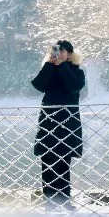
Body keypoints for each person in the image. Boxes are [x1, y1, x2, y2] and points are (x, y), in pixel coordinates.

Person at [31, 39, 86, 206]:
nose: (59, 53)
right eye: (56, 50)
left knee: (63, 162)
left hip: (67, 123)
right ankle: (49, 202)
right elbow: (38, 85)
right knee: (47, 162)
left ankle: (64, 201)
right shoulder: (49, 69)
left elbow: (73, 86)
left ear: (70, 54)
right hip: (48, 122)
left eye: (62, 50)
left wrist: (62, 66)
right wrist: (49, 65)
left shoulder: (77, 72)